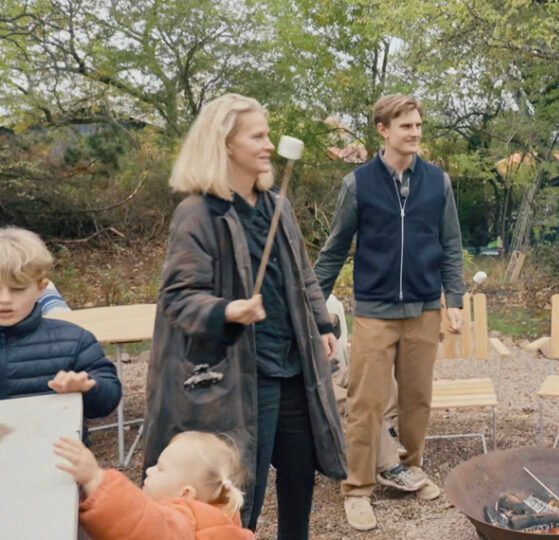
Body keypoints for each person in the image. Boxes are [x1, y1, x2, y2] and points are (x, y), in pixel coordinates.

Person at [141, 93, 346, 540]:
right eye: (257, 135)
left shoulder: (278, 205)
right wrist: (227, 309)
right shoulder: (198, 213)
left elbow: (303, 276)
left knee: (299, 475)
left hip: (293, 365)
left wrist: (321, 325)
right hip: (239, 376)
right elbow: (177, 299)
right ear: (225, 143)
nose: (269, 144)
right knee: (240, 488)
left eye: (268, 134)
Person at [314, 94, 466, 531]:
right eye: (406, 126)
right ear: (383, 130)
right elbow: (334, 251)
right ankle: (357, 488)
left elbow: (452, 246)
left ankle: (407, 469)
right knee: (366, 401)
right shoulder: (358, 184)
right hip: (376, 312)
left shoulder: (438, 183)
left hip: (423, 310)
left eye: (418, 125)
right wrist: (312, 309)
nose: (415, 133)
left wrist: (453, 300)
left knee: (417, 400)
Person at [0, 226, 121, 431]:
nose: (5, 299)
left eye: (18, 289)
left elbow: (108, 399)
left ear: (41, 287)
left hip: (53, 459)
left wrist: (87, 386)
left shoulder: (75, 341)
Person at [54, 430, 255, 540]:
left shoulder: (183, 521)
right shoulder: (222, 523)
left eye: (160, 468)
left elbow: (140, 524)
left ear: (184, 494)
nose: (149, 470)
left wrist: (95, 480)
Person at [325, 294, 426, 492]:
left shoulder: (323, 300)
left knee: (378, 375)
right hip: (311, 382)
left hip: (334, 368)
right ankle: (390, 467)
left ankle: (386, 434)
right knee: (355, 401)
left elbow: (336, 337)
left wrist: (331, 322)